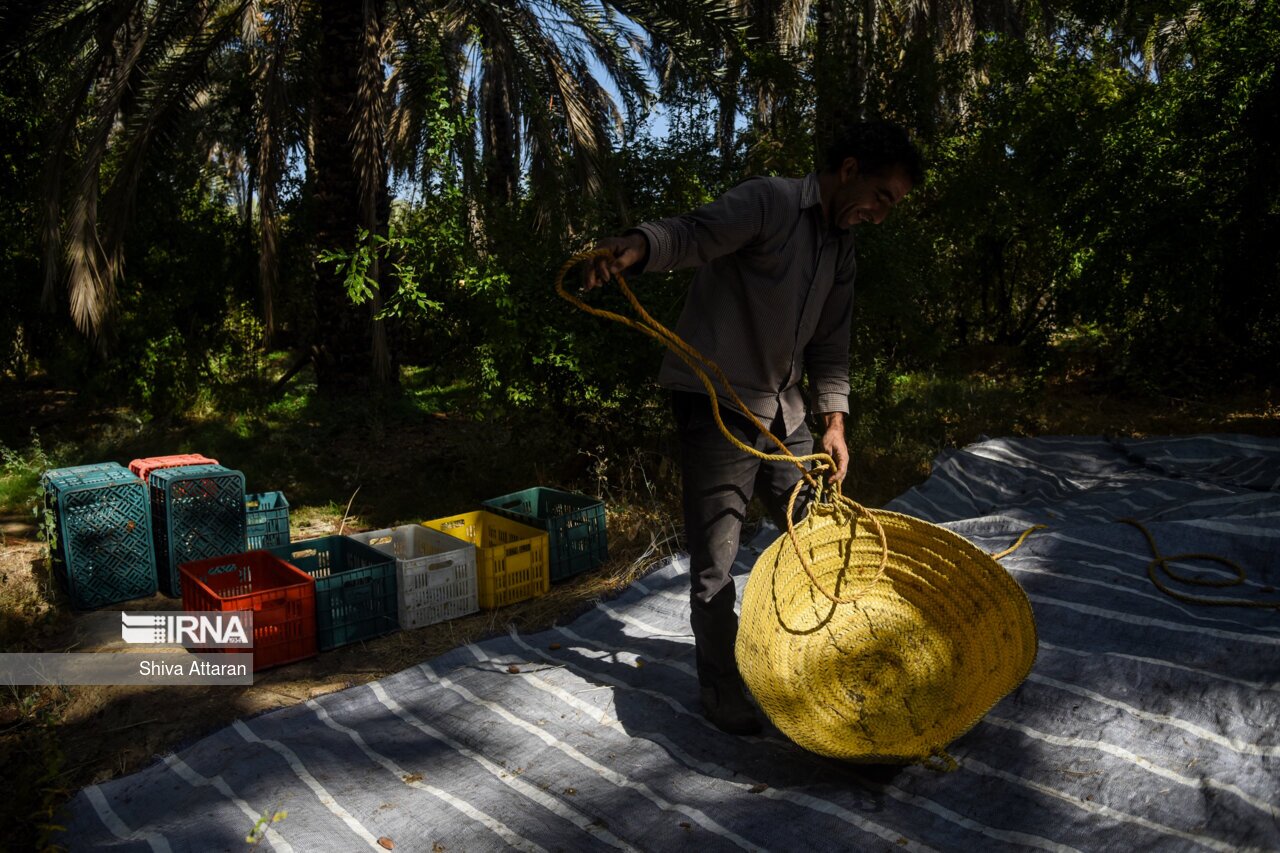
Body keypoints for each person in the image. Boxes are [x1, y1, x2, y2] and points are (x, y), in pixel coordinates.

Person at [584, 120, 924, 735]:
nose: (881, 214)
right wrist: (635, 247)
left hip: (784, 411)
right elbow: (692, 233)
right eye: (881, 196)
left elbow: (832, 343)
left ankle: (824, 664)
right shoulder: (769, 201)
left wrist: (835, 423)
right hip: (716, 404)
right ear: (849, 170)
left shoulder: (842, 248)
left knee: (820, 537)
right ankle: (720, 688)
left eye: (892, 205)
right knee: (717, 560)